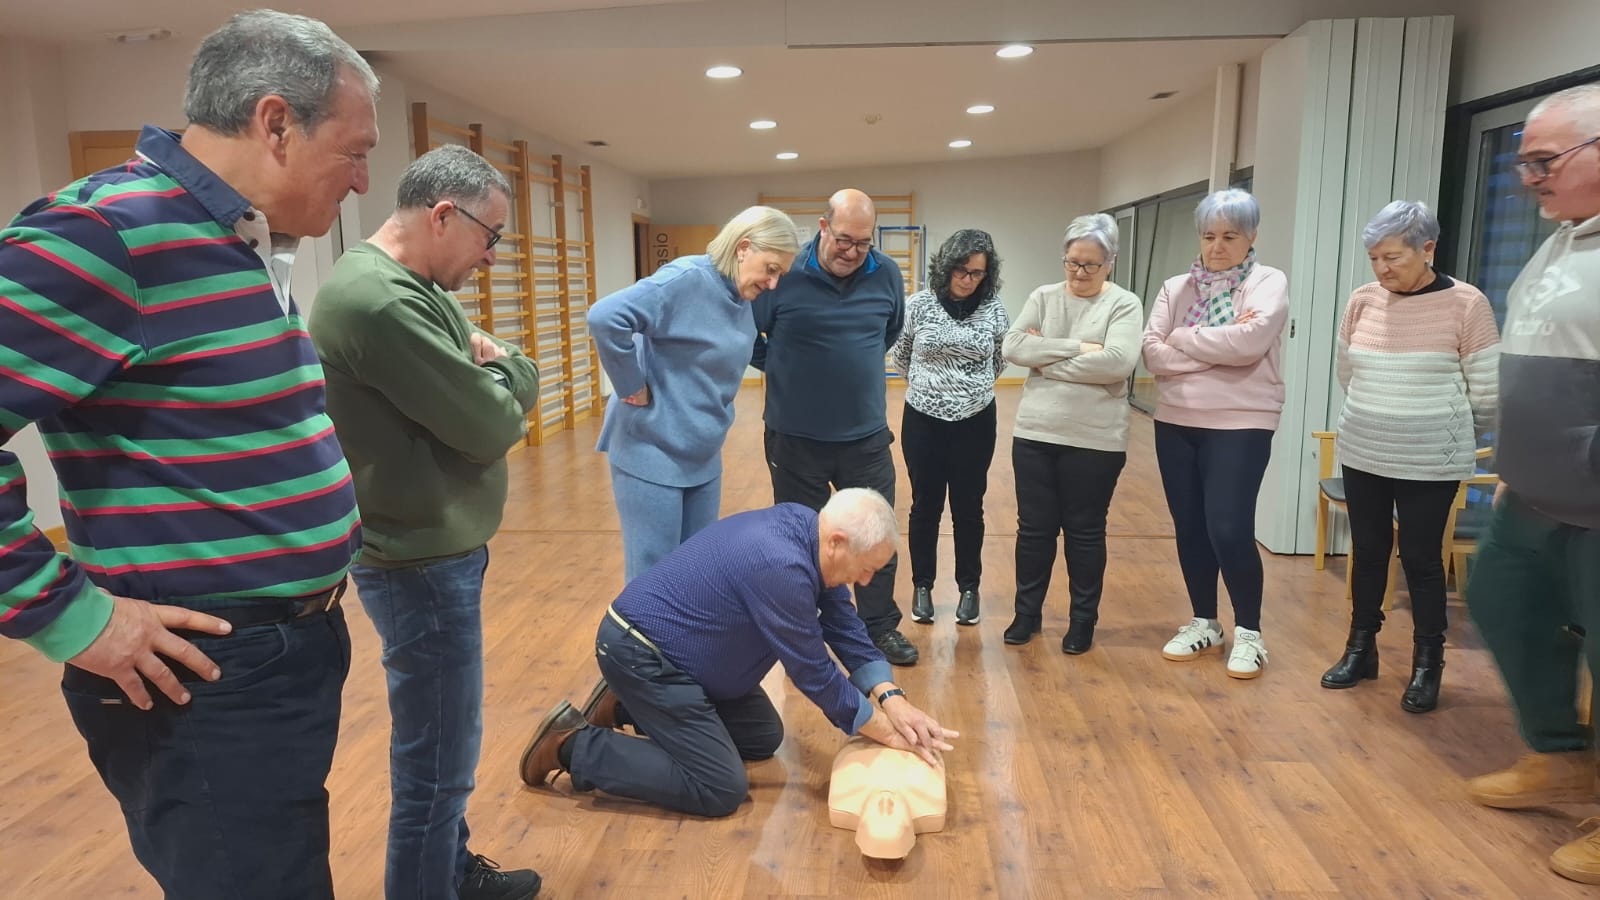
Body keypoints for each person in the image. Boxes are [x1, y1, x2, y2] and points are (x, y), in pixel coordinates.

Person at [0, 11, 373, 898]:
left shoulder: (241, 240)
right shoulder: (106, 236)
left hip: (284, 649)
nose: (362, 182)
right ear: (275, 123)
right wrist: (73, 620)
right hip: (202, 671)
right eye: (353, 152)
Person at [310, 145, 542, 899]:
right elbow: (491, 422)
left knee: (443, 749)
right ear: (444, 215)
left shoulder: (416, 284)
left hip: (437, 549)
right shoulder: (379, 301)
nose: (493, 255)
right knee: (437, 762)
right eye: (491, 236)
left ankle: (448, 872)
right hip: (416, 562)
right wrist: (504, 370)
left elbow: (495, 374)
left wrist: (497, 366)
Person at [517, 489, 956, 818]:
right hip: (643, 653)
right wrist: (882, 730)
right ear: (838, 541)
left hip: (678, 658)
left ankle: (625, 703)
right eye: (866, 570)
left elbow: (844, 627)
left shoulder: (812, 530)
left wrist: (892, 698)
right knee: (719, 787)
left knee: (762, 738)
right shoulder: (780, 566)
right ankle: (571, 745)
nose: (864, 582)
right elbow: (814, 672)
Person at [1460, 84, 1600, 886]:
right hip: (1535, 496)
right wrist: (1527, 465)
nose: (1527, 179)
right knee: (1502, 603)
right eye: (1524, 162)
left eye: (1544, 161)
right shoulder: (1562, 240)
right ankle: (1558, 755)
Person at [1319, 200, 1499, 713]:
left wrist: (1443, 429)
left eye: (1392, 257)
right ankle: (1361, 649)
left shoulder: (1467, 304)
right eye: (1374, 258)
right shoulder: (1362, 301)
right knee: (1369, 552)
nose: (1382, 269)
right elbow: (1347, 372)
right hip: (1364, 450)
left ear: (1428, 249)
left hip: (1429, 459)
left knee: (1421, 560)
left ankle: (1427, 664)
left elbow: (1486, 393)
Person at [751, 189, 917, 665]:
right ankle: (802, 630)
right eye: (844, 239)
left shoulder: (885, 272)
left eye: (863, 243)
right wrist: (784, 367)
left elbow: (889, 330)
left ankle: (878, 629)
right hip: (794, 436)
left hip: (864, 436)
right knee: (801, 539)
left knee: (878, 535)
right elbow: (750, 335)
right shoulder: (785, 274)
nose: (852, 251)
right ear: (823, 227)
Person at [590, 206, 799, 581]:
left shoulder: (741, 298)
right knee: (654, 578)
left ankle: (686, 643)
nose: (773, 284)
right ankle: (639, 643)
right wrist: (630, 384)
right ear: (743, 247)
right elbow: (605, 317)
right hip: (650, 449)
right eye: (771, 269)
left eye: (780, 275)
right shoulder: (685, 279)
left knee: (697, 574)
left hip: (702, 453)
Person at [1141, 189, 1289, 679]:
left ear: (1251, 237)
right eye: (1209, 236)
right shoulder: (1175, 287)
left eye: (1229, 236)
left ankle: (1249, 631)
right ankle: (1205, 621)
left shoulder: (1267, 283)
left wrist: (1182, 338)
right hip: (1177, 421)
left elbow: (1249, 344)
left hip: (1243, 422)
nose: (1217, 247)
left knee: (1228, 527)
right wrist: (1214, 348)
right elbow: (1151, 353)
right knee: (1191, 527)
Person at [1000, 214, 1143, 653]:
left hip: (1095, 440)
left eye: (1090, 266)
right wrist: (1081, 349)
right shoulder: (1044, 296)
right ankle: (1027, 615)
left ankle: (1082, 621)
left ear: (1111, 262)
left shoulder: (1124, 304)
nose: (1079, 274)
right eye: (1072, 263)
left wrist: (1044, 359)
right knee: (1034, 530)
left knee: (1084, 532)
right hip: (1036, 434)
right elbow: (1012, 347)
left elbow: (1119, 362)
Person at [890, 229, 1009, 627]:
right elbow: (902, 356)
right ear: (947, 267)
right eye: (961, 270)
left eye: (977, 273)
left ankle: (968, 589)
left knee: (969, 506)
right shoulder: (919, 305)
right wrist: (934, 389)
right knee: (925, 505)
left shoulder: (994, 309)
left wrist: (965, 391)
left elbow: (999, 361)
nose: (968, 279)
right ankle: (922, 586)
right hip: (923, 418)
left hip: (975, 421)